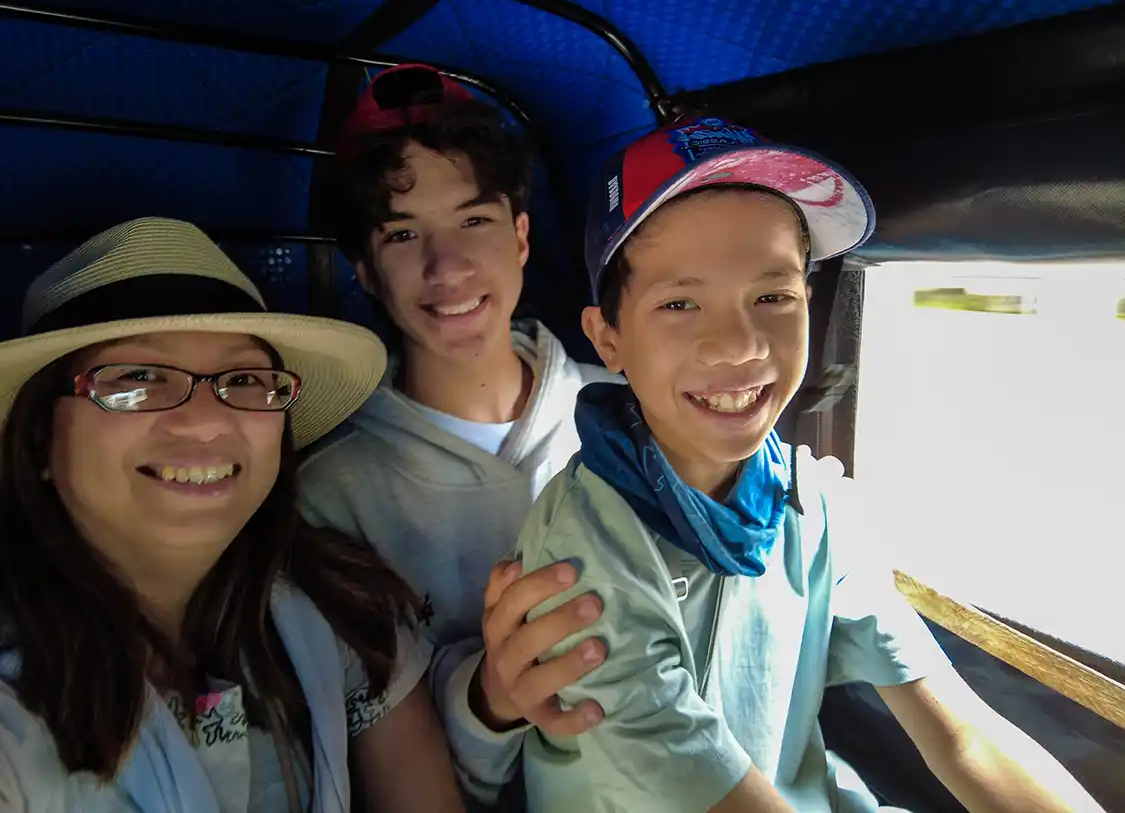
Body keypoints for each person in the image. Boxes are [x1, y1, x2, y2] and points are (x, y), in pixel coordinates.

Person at [512, 118, 1107, 813]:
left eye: (772, 298)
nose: (739, 345)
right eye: (679, 303)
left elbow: (961, 738)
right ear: (607, 337)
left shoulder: (807, 501)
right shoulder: (582, 554)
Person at [0, 218, 465, 813]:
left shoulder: (342, 613)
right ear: (39, 438)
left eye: (244, 379)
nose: (205, 421)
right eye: (138, 378)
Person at [297, 63, 629, 809]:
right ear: (365, 272)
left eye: (473, 221)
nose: (446, 267)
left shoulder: (625, 413)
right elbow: (373, 748)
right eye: (403, 234)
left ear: (520, 237)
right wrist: (488, 701)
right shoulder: (327, 493)